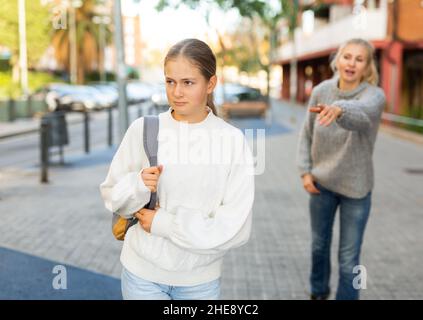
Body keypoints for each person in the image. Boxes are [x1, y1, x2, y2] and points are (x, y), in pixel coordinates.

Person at [100, 38, 255, 300]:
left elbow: (236, 228)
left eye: (188, 83)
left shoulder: (232, 141)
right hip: (142, 276)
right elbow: (112, 196)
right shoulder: (144, 129)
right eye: (170, 81)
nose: (177, 92)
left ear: (211, 83)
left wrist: (165, 223)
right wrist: (138, 184)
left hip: (199, 282)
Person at [296, 38, 386, 300]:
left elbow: (362, 115)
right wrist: (304, 171)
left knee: (350, 258)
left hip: (356, 189)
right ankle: (318, 292)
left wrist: (338, 109)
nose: (351, 63)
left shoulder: (374, 95)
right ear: (337, 60)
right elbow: (306, 134)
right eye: (347, 56)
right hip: (321, 184)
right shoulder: (321, 90)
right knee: (318, 247)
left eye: (359, 59)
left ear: (367, 66)